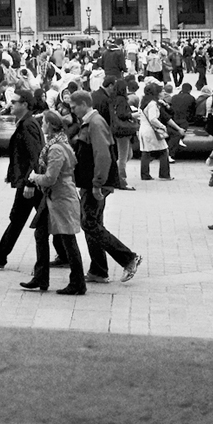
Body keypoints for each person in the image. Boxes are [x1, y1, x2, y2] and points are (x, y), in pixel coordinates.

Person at [69, 89, 142, 284]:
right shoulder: (93, 122)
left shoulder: (94, 123)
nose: (72, 110)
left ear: (83, 104)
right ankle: (98, 270)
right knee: (92, 223)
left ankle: (128, 258)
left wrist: (98, 183)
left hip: (96, 183)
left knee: (89, 223)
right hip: (92, 182)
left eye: (74, 106)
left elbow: (102, 155)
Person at [19, 108, 86, 295]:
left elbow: (50, 178)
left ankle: (78, 282)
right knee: (41, 234)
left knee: (68, 239)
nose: (42, 126)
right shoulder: (59, 144)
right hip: (53, 198)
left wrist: (34, 177)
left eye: (43, 123)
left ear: (49, 125)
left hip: (61, 198)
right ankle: (41, 277)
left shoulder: (56, 148)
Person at [0, 89, 46, 270]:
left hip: (29, 182)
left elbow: (35, 155)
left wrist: (30, 182)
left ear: (24, 104)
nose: (11, 104)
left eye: (14, 101)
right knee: (31, 218)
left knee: (26, 219)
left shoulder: (28, 125)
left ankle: (0, 256)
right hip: (28, 181)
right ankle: (0, 255)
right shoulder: (25, 122)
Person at [138, 82, 172, 181]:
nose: (163, 93)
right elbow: (153, 118)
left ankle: (145, 174)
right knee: (164, 150)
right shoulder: (153, 104)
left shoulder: (143, 102)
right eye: (161, 91)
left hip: (143, 129)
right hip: (151, 130)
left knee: (145, 152)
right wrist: (162, 126)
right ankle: (164, 174)